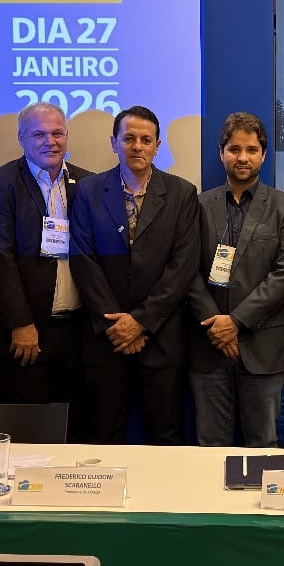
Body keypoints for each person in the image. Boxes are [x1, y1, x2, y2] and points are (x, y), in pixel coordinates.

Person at [70, 106, 199, 444]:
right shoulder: (88, 191)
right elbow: (83, 260)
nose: (137, 146)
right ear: (114, 143)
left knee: (166, 438)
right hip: (106, 339)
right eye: (128, 139)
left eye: (146, 140)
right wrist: (118, 325)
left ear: (157, 146)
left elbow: (182, 266)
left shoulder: (182, 193)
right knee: (103, 436)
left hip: (162, 339)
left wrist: (141, 321)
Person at [187, 113, 284, 447]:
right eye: (234, 149)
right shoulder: (198, 205)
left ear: (263, 155)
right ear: (221, 152)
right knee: (210, 446)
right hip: (208, 346)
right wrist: (217, 326)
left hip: (263, 347)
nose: (242, 157)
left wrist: (235, 322)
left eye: (251, 150)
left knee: (263, 445)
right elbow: (186, 271)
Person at [0, 103, 90, 426]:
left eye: (57, 133)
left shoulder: (86, 183)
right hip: (26, 334)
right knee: (28, 430)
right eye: (39, 134)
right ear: (21, 138)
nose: (50, 141)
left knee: (75, 428)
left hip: (77, 332)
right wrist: (21, 323)